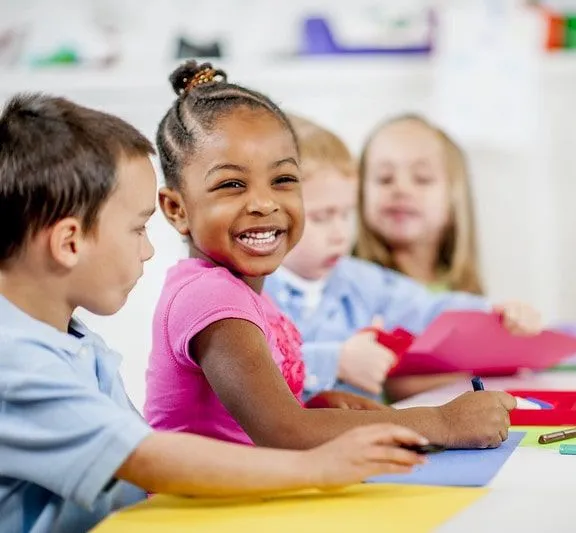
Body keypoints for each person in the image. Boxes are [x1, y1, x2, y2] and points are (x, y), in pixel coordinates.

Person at [0, 93, 428, 533]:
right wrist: (318, 467)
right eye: (137, 229)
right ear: (70, 242)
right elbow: (146, 458)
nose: (147, 250)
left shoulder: (70, 340)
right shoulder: (16, 365)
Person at [145, 61, 516, 452]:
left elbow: (259, 421)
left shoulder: (247, 292)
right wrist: (442, 421)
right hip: (198, 511)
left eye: (283, 179)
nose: (264, 203)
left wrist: (319, 406)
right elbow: (284, 432)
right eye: (232, 184)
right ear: (176, 209)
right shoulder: (211, 298)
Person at [265, 115, 541, 402]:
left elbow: (427, 309)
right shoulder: (254, 289)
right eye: (322, 217)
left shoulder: (361, 279)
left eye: (346, 214)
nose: (340, 234)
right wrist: (335, 362)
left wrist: (494, 313)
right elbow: (247, 366)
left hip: (361, 437)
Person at [355, 114, 483, 294]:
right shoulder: (348, 289)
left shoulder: (465, 299)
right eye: (384, 178)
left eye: (422, 178)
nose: (401, 188)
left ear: (454, 197)